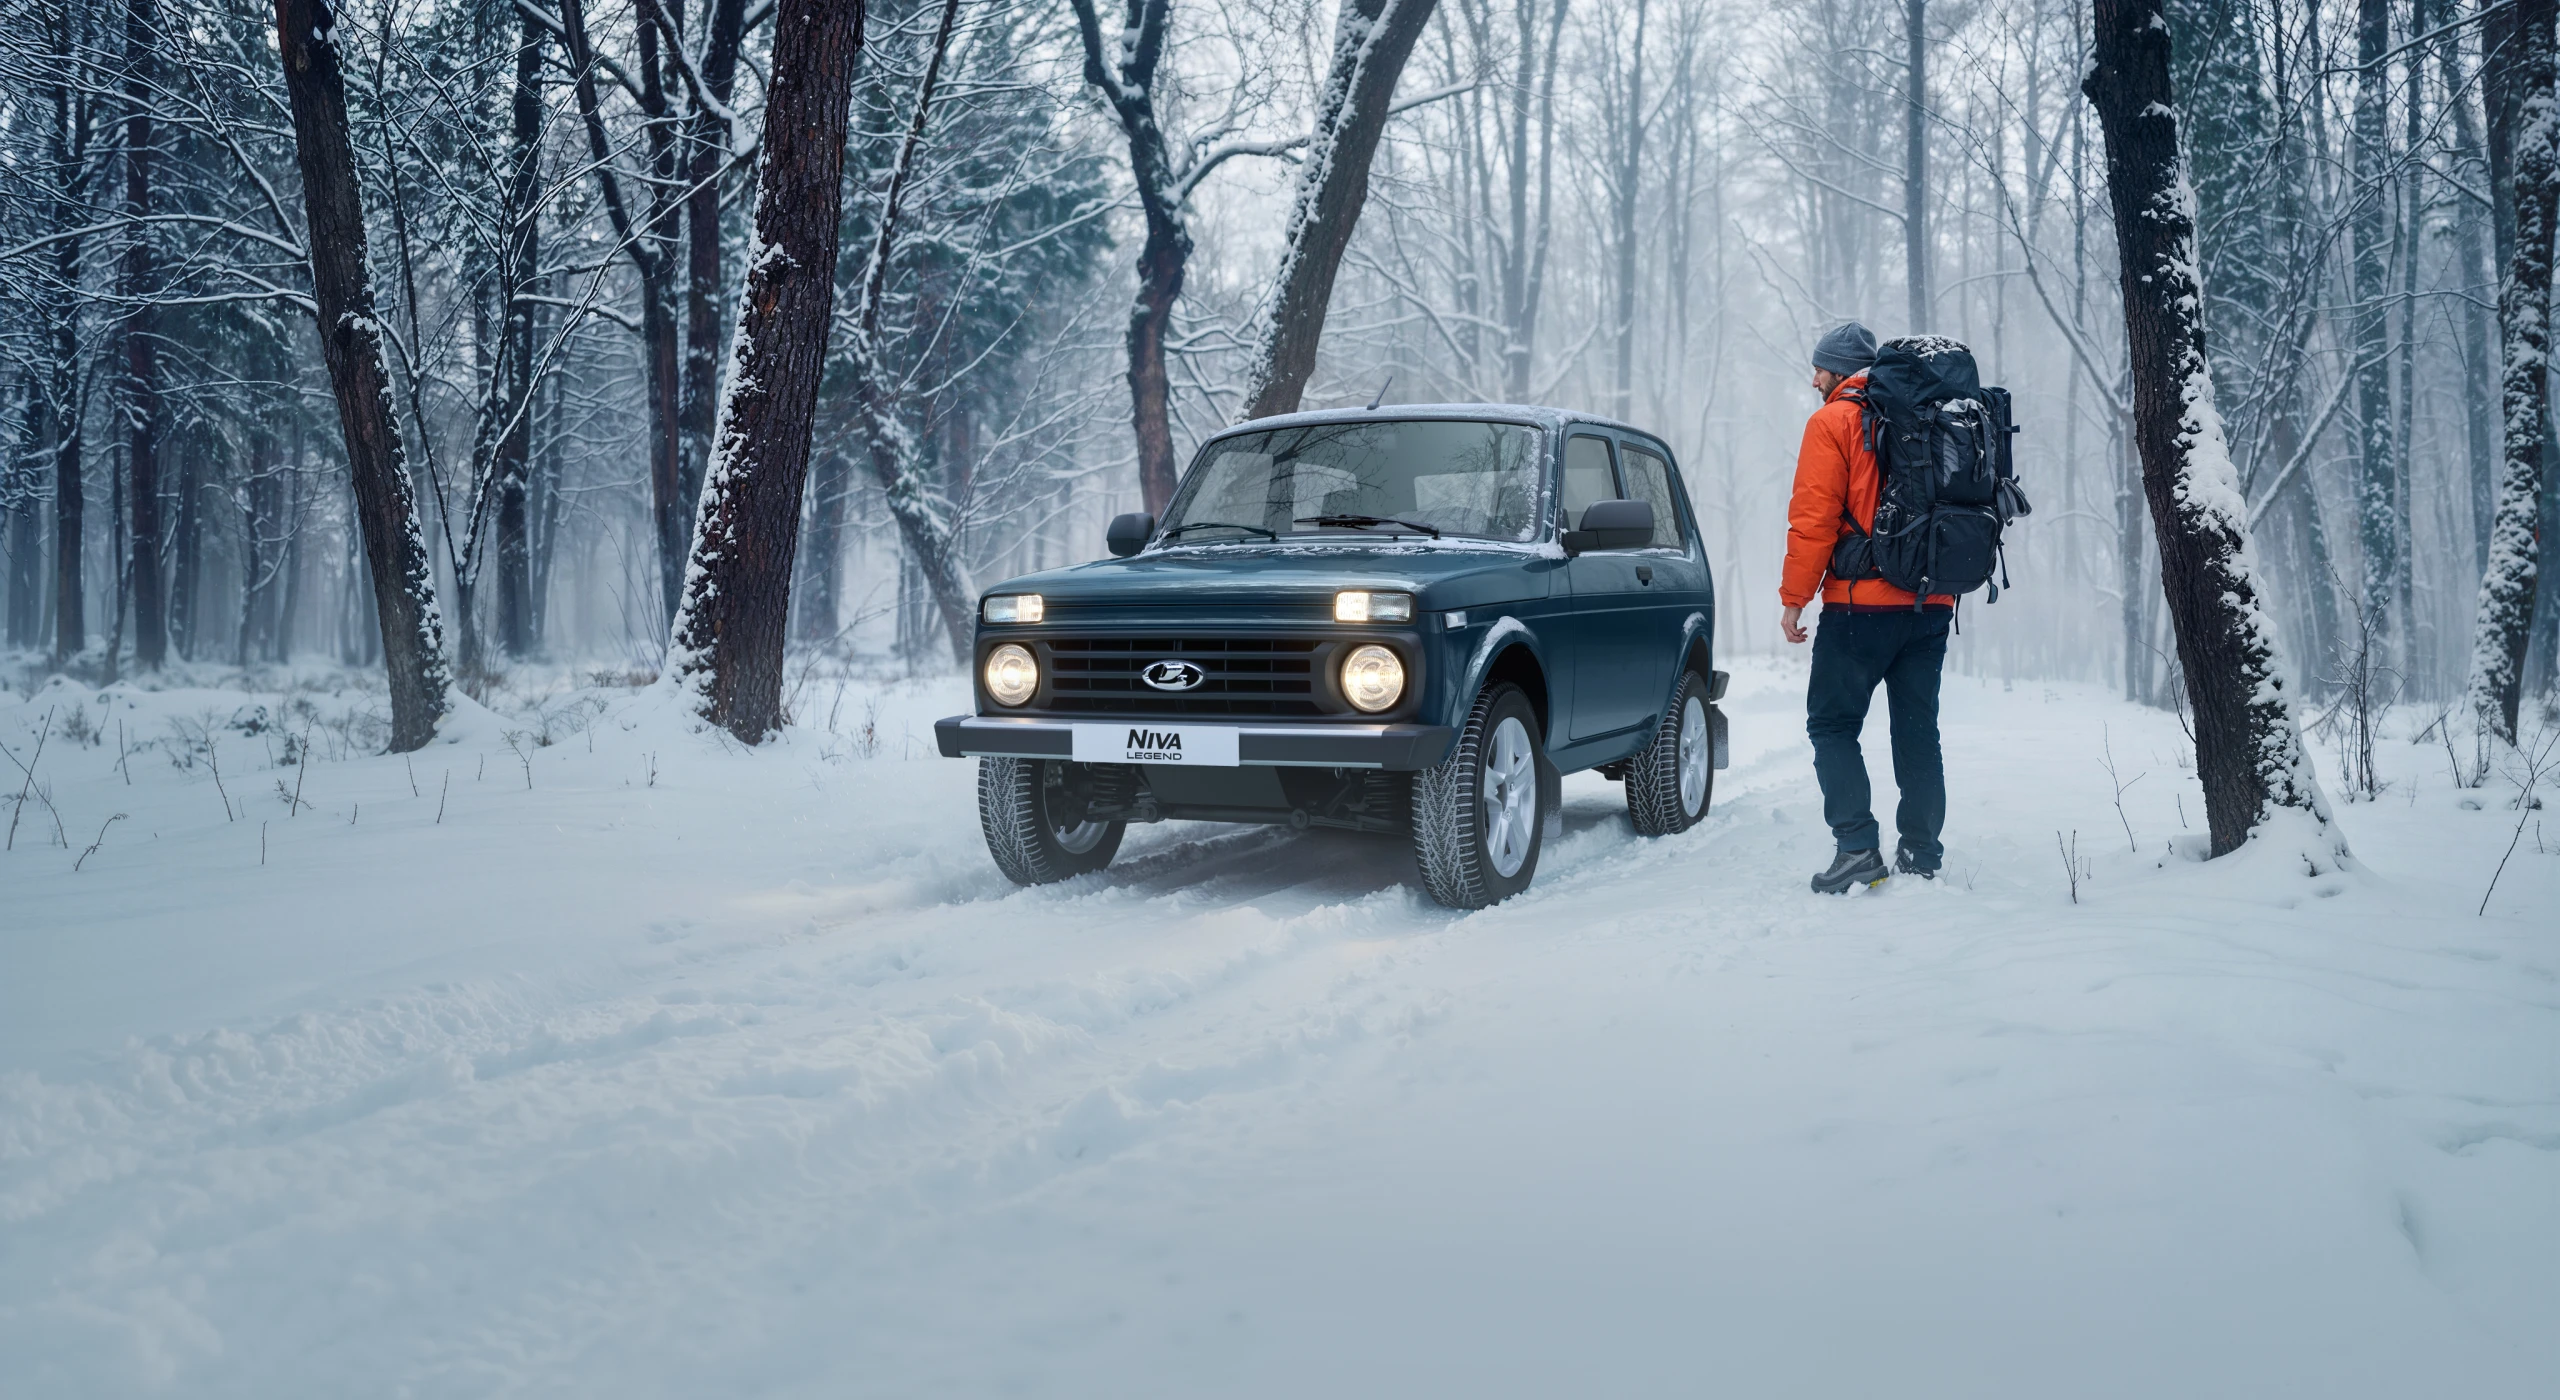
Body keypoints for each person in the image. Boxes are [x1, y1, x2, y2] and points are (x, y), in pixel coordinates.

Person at [1778, 321, 1954, 894]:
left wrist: (1794, 600)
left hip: (1860, 609)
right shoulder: (1927, 414)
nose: (1813, 378)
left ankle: (1856, 848)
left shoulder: (1833, 421)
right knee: (1917, 729)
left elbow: (1813, 521)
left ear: (1838, 372)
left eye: (1819, 368)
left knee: (1831, 725)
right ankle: (1922, 853)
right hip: (1932, 602)